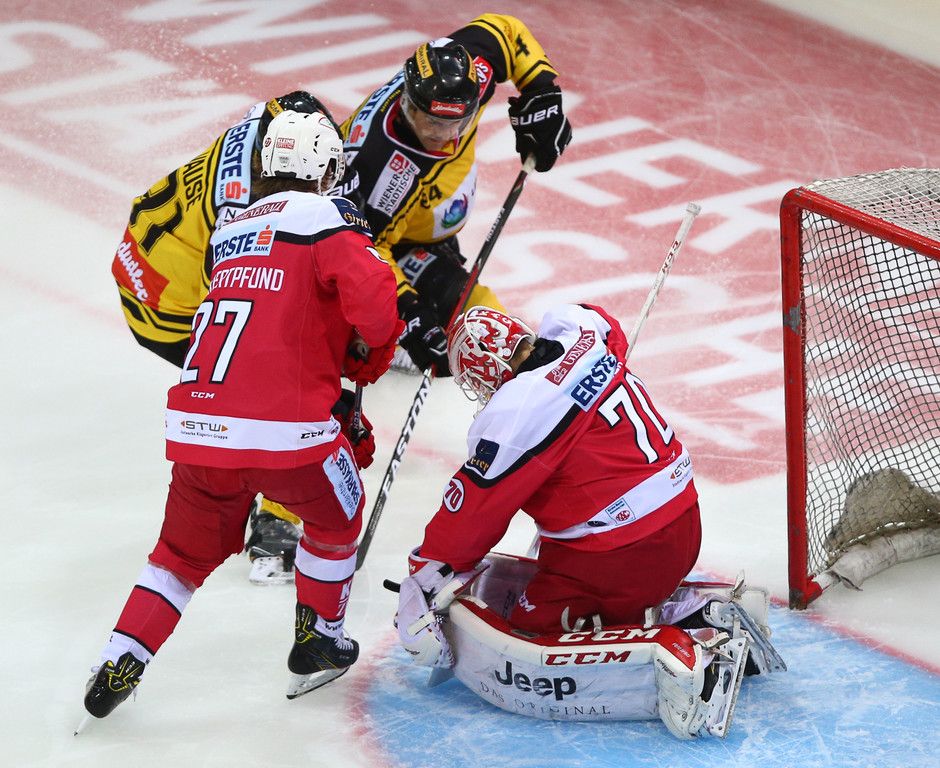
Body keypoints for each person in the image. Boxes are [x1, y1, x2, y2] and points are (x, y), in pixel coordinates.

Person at [82, 111, 404, 721]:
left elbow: (270, 319)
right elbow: (375, 306)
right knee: (338, 517)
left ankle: (120, 657)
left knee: (177, 557)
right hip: (287, 436)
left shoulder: (229, 229)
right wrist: (372, 351)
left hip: (198, 432)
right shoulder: (326, 219)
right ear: (324, 169)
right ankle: (320, 636)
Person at [392, 303, 786, 738]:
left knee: (530, 627)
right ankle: (703, 615)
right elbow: (606, 323)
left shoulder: (516, 411)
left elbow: (473, 511)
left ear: (488, 370)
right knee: (573, 553)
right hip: (684, 522)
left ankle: (681, 660)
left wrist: (426, 571)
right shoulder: (582, 331)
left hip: (620, 557)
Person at [110, 90, 359, 584]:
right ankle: (275, 519)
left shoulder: (271, 130)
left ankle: (246, 482)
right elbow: (245, 297)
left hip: (152, 258)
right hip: (164, 302)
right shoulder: (240, 204)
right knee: (289, 391)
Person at [341, 14, 573, 376]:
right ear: (408, 104)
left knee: (487, 323)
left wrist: (540, 90)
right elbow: (362, 251)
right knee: (467, 322)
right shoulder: (376, 165)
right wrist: (408, 309)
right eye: (433, 122)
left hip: (424, 228)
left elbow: (505, 32)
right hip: (388, 245)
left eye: (456, 124)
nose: (443, 135)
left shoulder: (468, 79)